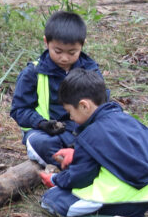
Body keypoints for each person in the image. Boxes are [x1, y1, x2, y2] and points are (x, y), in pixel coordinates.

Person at [39, 69, 148, 217]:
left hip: (117, 200)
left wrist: (56, 179)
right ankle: (128, 216)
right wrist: (77, 154)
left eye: (70, 112)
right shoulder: (128, 120)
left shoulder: (90, 134)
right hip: (147, 198)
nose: (70, 118)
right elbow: (118, 153)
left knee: (50, 201)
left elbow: (80, 178)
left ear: (84, 106)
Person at [10, 11, 101, 167]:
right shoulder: (33, 73)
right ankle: (82, 164)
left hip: (82, 131)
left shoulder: (91, 70)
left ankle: (76, 162)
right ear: (46, 42)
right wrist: (42, 123)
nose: (64, 58)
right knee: (40, 142)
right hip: (46, 133)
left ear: (82, 45)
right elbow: (19, 110)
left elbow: (101, 106)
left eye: (72, 52)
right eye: (57, 51)